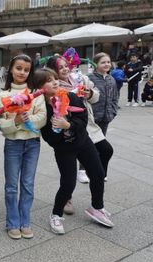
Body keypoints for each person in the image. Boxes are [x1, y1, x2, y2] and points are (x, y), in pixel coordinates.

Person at [34, 68, 114, 235]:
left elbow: (83, 119)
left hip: (84, 142)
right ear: (40, 87)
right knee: (68, 183)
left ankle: (97, 207)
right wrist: (58, 131)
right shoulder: (42, 107)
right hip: (64, 149)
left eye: (55, 78)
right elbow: (48, 137)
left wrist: (68, 125)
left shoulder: (70, 96)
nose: (55, 82)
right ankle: (56, 214)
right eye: (49, 80)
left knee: (98, 173)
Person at [46, 54, 113, 207]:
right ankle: (67, 197)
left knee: (106, 150)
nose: (64, 69)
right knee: (68, 174)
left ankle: (95, 181)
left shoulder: (79, 78)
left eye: (65, 66)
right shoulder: (54, 87)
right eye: (59, 67)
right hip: (71, 128)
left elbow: (95, 95)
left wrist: (89, 93)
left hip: (88, 123)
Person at [0, 54, 46, 240]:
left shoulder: (36, 93)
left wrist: (25, 119)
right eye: (18, 68)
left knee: (28, 183)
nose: (22, 72)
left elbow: (42, 117)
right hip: (13, 144)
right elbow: (1, 122)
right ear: (11, 69)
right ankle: (13, 222)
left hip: (33, 143)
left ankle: (25, 221)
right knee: (11, 185)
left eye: (26, 69)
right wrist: (15, 122)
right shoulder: (3, 94)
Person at [89, 52, 119, 136]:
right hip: (92, 118)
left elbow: (115, 97)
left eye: (108, 62)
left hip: (106, 117)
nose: (107, 64)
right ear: (95, 64)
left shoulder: (111, 79)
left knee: (102, 141)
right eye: (103, 62)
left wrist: (113, 112)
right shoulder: (89, 78)